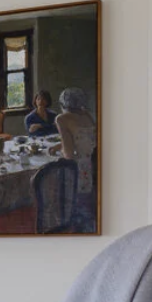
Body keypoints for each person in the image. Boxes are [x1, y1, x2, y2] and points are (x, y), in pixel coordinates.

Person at [56, 87, 98, 226]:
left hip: (78, 169)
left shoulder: (61, 119)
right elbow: (84, 139)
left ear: (63, 103)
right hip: (92, 164)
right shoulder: (87, 115)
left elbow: (68, 154)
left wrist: (61, 149)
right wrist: (59, 145)